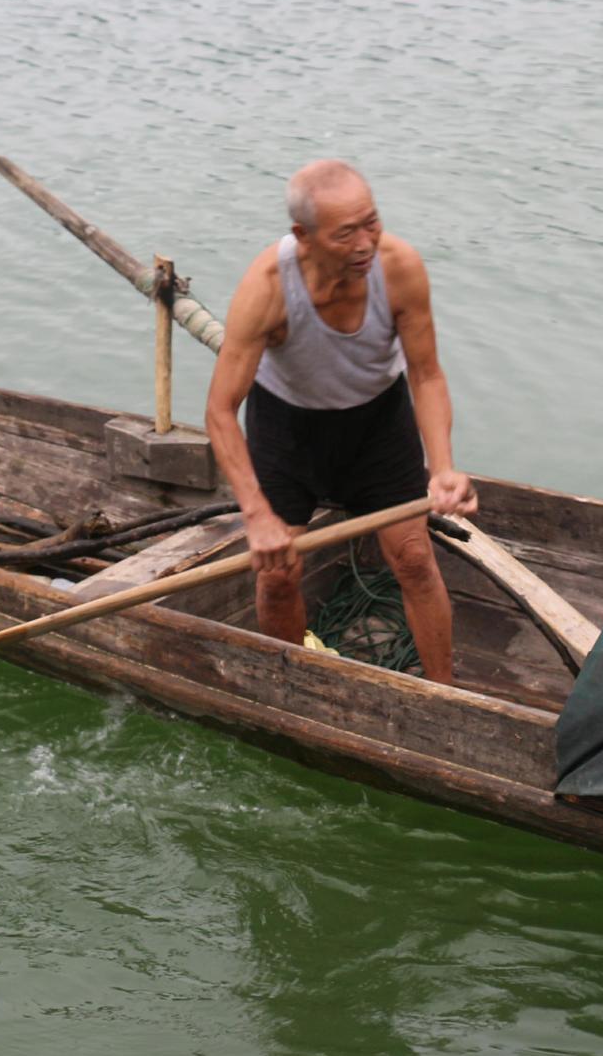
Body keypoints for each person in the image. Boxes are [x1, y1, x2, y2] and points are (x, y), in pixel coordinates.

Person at [204, 159, 478, 684]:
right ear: (303, 237)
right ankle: (296, 688)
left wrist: (443, 467)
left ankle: (444, 695)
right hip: (287, 431)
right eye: (346, 233)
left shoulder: (399, 268)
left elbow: (426, 375)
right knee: (278, 575)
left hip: (377, 426)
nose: (364, 244)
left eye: (371, 223)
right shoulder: (267, 287)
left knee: (414, 559)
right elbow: (219, 411)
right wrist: (257, 517)